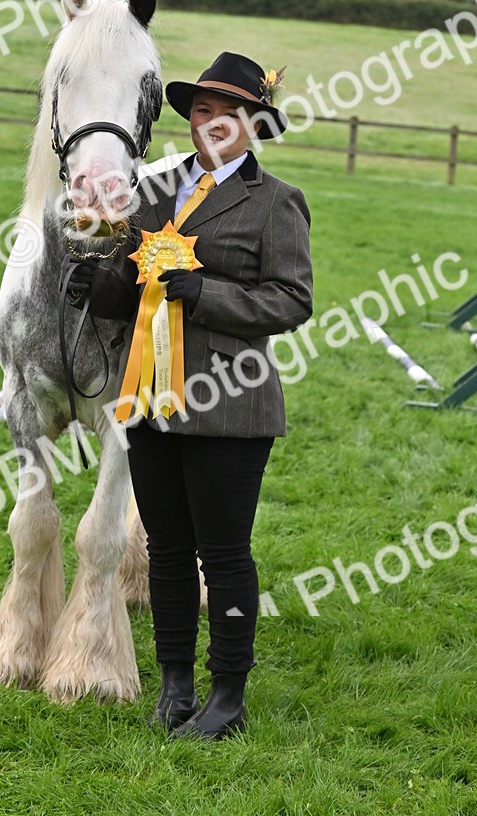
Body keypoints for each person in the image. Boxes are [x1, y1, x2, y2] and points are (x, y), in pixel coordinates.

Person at [74, 51, 313, 741]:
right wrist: (100, 286)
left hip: (229, 407)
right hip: (150, 400)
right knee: (166, 551)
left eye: (227, 114)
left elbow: (291, 300)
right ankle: (175, 685)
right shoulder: (156, 190)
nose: (210, 123)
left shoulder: (276, 202)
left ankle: (227, 696)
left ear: (254, 126)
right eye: (201, 111)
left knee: (224, 555)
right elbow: (133, 289)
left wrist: (207, 293)